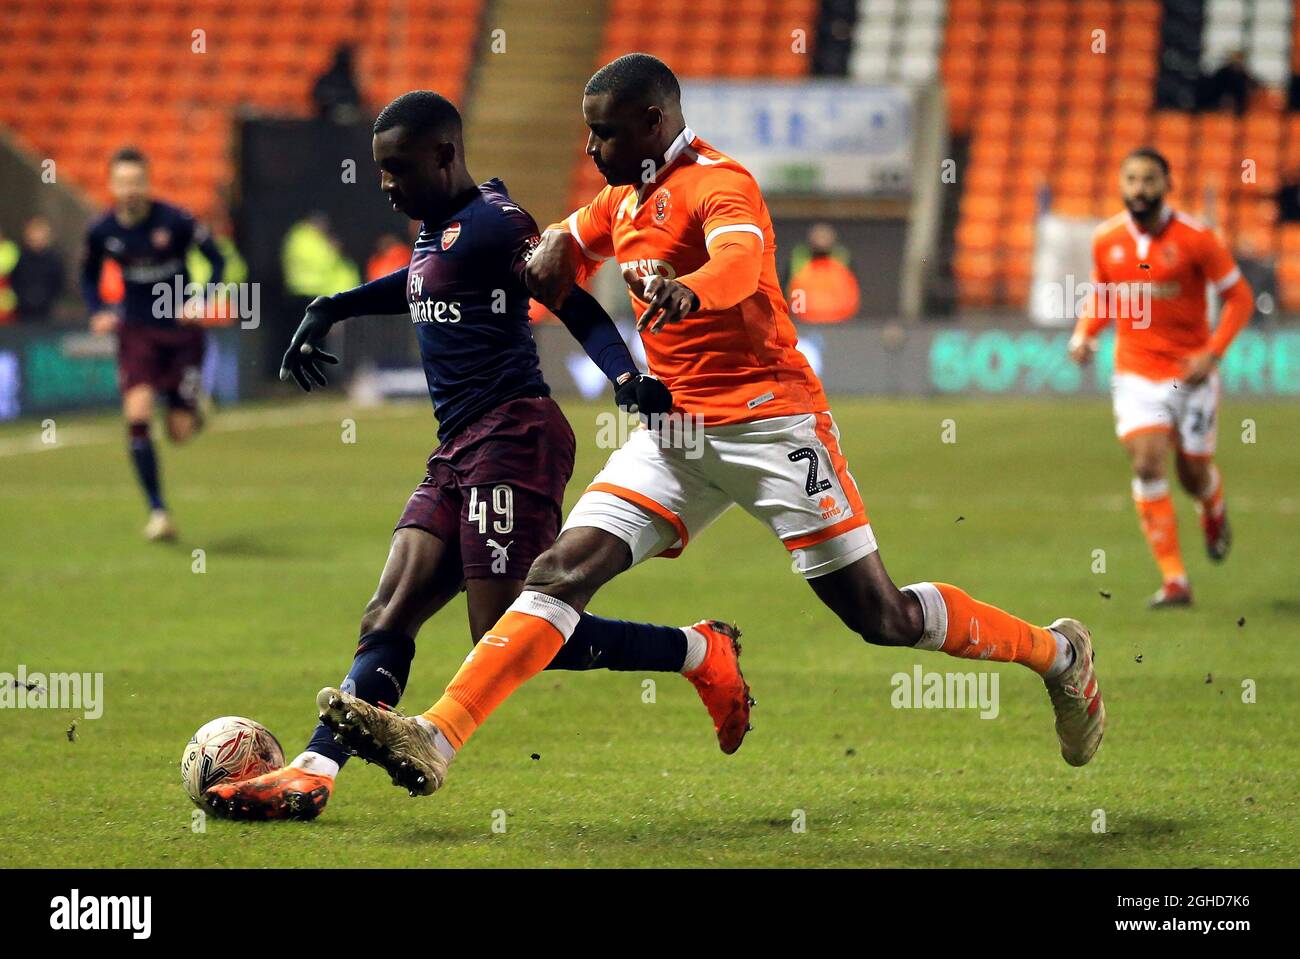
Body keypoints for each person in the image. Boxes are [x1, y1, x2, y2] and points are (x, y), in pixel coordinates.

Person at [313, 55, 1106, 804]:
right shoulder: (620, 201)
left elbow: (735, 261)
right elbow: (558, 247)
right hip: (675, 435)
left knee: (881, 616)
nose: (591, 149)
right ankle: (437, 735)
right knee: (557, 572)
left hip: (769, 425)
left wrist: (689, 291)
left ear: (655, 122)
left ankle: (1059, 653)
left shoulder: (721, 185)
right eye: (588, 133)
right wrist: (551, 247)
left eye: (606, 133)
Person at [204, 91, 752, 821]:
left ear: (444, 155)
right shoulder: (434, 234)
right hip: (457, 446)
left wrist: (625, 375)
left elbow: (571, 298)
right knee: (387, 612)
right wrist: (334, 305)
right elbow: (418, 285)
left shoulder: (496, 224)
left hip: (513, 438)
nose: (387, 184)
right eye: (379, 170)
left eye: (399, 168)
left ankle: (699, 650)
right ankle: (312, 771)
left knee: (520, 632)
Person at [1069, 147, 1254, 607]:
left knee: (1192, 473)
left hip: (1191, 375)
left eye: (1149, 180)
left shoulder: (1197, 237)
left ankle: (1212, 505)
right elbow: (1104, 296)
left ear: (1168, 183)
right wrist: (1084, 335)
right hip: (1135, 372)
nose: (1139, 189)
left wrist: (1212, 354)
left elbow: (1240, 299)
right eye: (1131, 179)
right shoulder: (1106, 239)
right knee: (1147, 462)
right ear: (1120, 185)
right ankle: (1175, 580)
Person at [81, 147, 225, 541]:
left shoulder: (175, 221)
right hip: (137, 331)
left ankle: (194, 409)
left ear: (147, 183)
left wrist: (202, 297)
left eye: (137, 181)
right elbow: (88, 277)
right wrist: (97, 309)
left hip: (181, 333)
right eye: (123, 182)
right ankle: (159, 512)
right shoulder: (102, 232)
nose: (130, 190)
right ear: (112, 186)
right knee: (138, 414)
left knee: (178, 432)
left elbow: (216, 260)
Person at [786, 222, 860, 323]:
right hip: (803, 321)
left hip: (840, 321)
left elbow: (851, 293)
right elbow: (789, 290)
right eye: (819, 237)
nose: (821, 240)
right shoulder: (799, 260)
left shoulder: (842, 260)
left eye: (824, 237)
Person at [12, 216, 67, 323]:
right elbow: (15, 280)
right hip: (23, 312)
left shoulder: (54, 259)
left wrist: (45, 298)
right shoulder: (20, 258)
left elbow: (59, 283)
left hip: (46, 311)